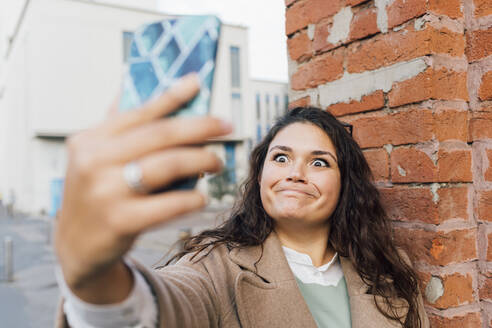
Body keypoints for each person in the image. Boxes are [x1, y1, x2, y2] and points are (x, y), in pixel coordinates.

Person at [54, 74, 429, 328]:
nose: (295, 172)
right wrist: (92, 279)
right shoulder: (216, 267)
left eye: (319, 162)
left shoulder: (388, 271)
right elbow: (167, 305)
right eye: (280, 158)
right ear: (261, 174)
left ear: (345, 185)